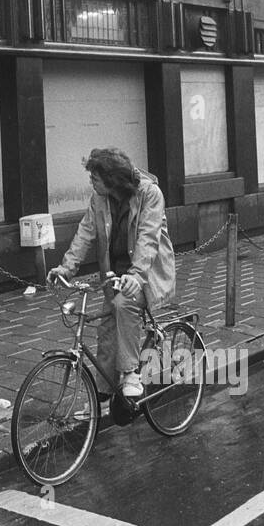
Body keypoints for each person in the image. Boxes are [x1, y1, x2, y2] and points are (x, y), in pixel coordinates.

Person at [49, 148, 176, 400]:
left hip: (147, 275)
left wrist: (136, 275)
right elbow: (85, 233)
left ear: (112, 179)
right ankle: (102, 394)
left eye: (95, 178)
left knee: (122, 305)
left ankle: (131, 373)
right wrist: (67, 268)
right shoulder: (99, 199)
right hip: (114, 276)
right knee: (106, 332)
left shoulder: (150, 194)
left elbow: (148, 238)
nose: (91, 182)